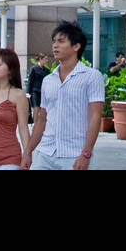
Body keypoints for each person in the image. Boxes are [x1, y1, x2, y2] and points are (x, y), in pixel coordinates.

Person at [24, 21, 103, 170]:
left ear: (76, 46)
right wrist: (28, 151)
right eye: (54, 41)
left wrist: (86, 154)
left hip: (74, 155)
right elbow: (42, 119)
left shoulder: (92, 77)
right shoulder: (48, 80)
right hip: (45, 153)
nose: (55, 45)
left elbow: (95, 117)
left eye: (61, 41)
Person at [26, 51, 50, 125]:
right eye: (45, 59)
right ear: (40, 59)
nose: (47, 60)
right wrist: (28, 93)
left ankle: (40, 124)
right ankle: (35, 125)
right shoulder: (33, 69)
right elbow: (30, 81)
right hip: (35, 91)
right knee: (36, 108)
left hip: (43, 92)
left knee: (41, 108)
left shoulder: (47, 70)